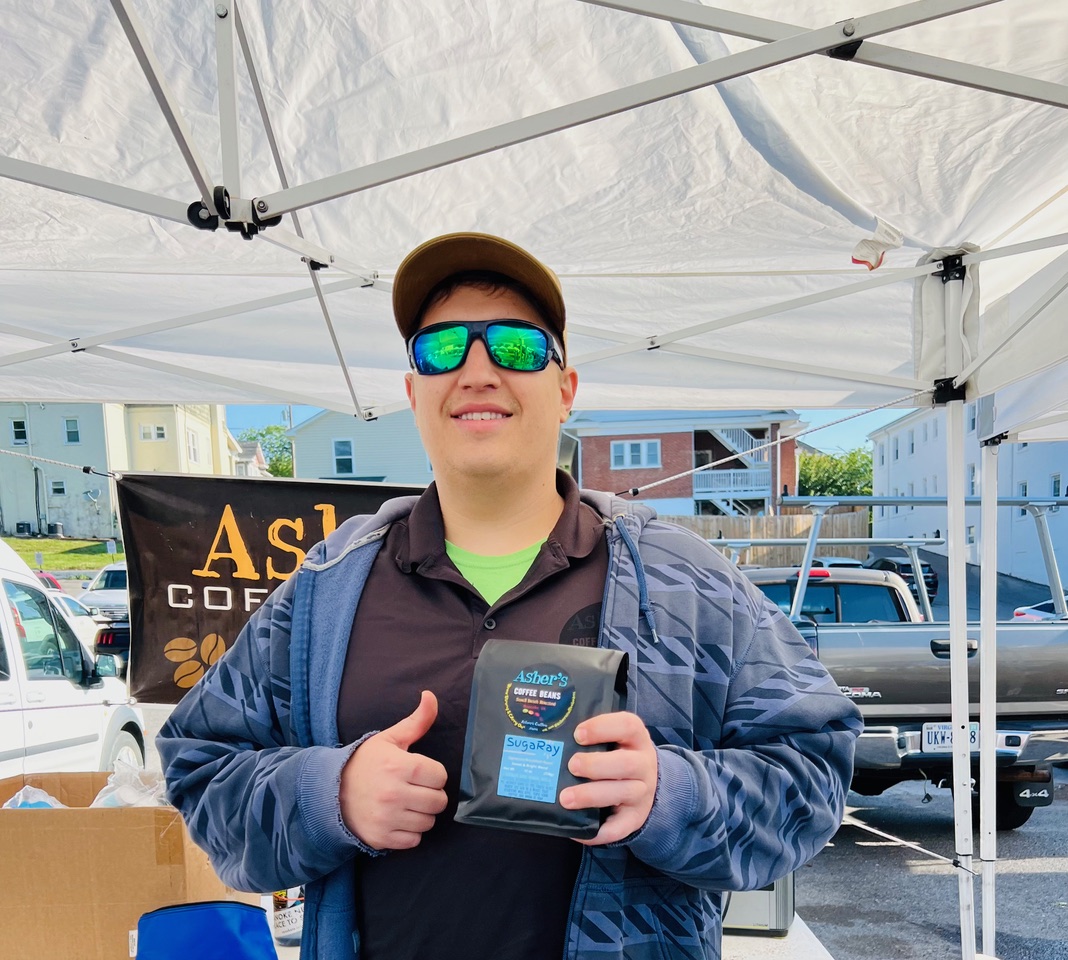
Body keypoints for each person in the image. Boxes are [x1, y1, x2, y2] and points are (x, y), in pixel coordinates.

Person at [158, 232, 862, 960]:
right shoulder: (326, 589)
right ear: (412, 393)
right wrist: (327, 795)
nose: (477, 370)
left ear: (565, 389)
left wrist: (671, 793)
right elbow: (201, 765)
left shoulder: (684, 581)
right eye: (441, 349)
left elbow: (811, 766)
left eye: (517, 347)